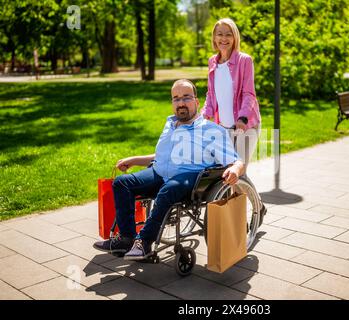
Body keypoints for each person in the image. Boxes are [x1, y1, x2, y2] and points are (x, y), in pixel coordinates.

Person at [93, 79, 244, 261]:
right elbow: (162, 157)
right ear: (172, 103)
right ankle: (126, 239)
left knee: (169, 189)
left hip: (188, 178)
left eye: (186, 98)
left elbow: (236, 160)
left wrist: (235, 169)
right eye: (176, 98)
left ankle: (144, 242)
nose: (181, 103)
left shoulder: (212, 131)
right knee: (122, 183)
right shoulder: (170, 124)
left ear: (196, 102)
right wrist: (134, 160)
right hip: (158, 173)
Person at [201, 18, 261, 171]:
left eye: (228, 34)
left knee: (238, 172)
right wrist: (204, 115)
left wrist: (242, 118)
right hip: (224, 127)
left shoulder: (244, 60)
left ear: (235, 37)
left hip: (246, 125)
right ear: (214, 37)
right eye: (219, 34)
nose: (224, 38)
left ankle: (251, 196)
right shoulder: (212, 62)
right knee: (225, 174)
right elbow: (211, 94)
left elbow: (249, 94)